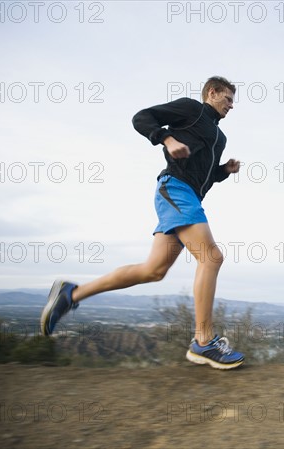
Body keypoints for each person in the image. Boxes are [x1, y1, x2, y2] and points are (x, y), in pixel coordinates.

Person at [40, 76, 245, 370]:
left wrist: (224, 170)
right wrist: (166, 138)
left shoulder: (219, 137)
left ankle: (71, 294)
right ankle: (203, 342)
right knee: (211, 257)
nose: (231, 106)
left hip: (189, 198)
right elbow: (142, 118)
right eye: (227, 99)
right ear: (212, 93)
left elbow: (207, 174)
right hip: (175, 189)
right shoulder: (191, 110)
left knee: (154, 270)